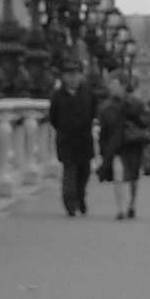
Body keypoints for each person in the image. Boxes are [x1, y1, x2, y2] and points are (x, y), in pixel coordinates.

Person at [97, 70, 150, 220]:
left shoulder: (135, 103)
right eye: (110, 85)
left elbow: (146, 122)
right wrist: (103, 149)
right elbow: (103, 130)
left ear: (123, 86)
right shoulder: (106, 107)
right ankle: (120, 208)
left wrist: (134, 114)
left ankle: (132, 204)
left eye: (115, 85)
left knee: (133, 176)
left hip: (132, 144)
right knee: (118, 175)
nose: (111, 88)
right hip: (116, 146)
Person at [48, 58, 98, 217]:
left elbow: (94, 113)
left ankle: (80, 196)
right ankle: (70, 202)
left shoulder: (88, 93)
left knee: (84, 172)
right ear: (63, 77)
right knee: (69, 172)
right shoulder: (57, 96)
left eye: (75, 74)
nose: (73, 78)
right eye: (69, 75)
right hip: (66, 140)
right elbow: (53, 117)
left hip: (84, 139)